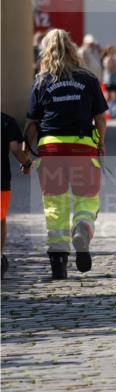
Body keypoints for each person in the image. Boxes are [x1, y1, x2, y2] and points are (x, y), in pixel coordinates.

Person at [24, 29, 108, 279]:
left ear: (45, 51)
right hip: (83, 147)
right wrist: (101, 144)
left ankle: (58, 265)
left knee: (54, 205)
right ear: (72, 49)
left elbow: (31, 124)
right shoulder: (88, 79)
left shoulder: (41, 81)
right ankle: (82, 228)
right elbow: (100, 119)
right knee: (87, 199)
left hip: (51, 148)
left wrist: (28, 155)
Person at [1, 112, 31, 277]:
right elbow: (15, 148)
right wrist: (26, 163)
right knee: (0, 219)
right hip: (1, 180)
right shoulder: (6, 121)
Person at [102, 45, 116, 119]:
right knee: (108, 96)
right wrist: (115, 64)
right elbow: (110, 69)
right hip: (109, 80)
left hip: (115, 80)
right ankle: (107, 113)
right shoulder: (107, 59)